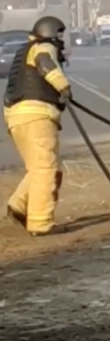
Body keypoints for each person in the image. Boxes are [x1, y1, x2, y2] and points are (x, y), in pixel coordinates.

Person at [4, 16, 72, 236]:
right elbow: (46, 64)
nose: (61, 40)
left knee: (38, 167)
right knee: (46, 169)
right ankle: (41, 223)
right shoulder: (43, 47)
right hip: (37, 115)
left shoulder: (25, 51)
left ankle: (19, 205)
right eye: (59, 34)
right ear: (51, 33)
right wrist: (63, 87)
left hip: (16, 116)